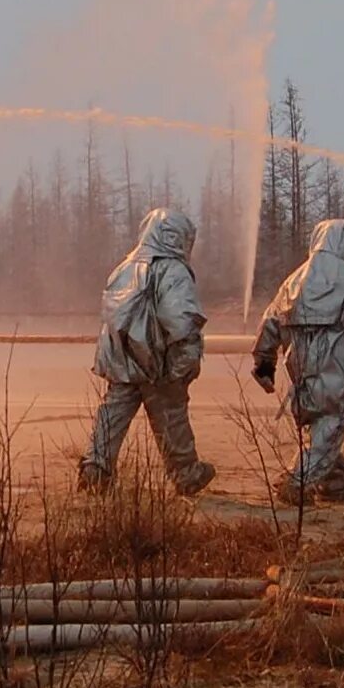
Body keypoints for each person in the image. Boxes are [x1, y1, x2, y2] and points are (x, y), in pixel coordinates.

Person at [252, 217, 344, 504]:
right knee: (332, 425)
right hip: (337, 373)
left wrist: (264, 364)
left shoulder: (293, 280)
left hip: (301, 377)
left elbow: (269, 322)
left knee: (321, 430)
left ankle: (337, 487)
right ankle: (296, 482)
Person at [82, 207, 215, 495]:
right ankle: (186, 473)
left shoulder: (124, 267)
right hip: (157, 361)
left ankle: (96, 468)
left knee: (112, 414)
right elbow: (181, 320)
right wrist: (186, 362)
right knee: (171, 416)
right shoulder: (173, 270)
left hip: (122, 360)